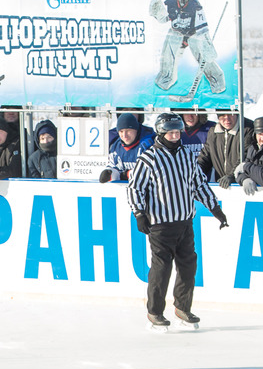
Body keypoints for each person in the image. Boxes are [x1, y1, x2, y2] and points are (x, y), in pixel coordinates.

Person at [127, 113, 228, 329]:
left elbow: (199, 184)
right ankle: (155, 312)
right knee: (161, 268)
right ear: (161, 133)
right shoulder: (149, 158)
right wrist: (139, 213)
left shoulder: (187, 156)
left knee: (188, 265)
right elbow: (135, 188)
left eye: (177, 132)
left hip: (184, 222)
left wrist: (215, 208)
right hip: (160, 225)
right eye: (170, 132)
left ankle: (183, 307)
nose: (174, 136)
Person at [148, 0, 224, 94]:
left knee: (204, 56)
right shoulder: (171, 2)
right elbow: (164, 18)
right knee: (168, 55)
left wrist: (206, 43)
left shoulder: (195, 4)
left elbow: (202, 27)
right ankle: (165, 79)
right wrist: (157, 9)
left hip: (193, 33)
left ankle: (217, 81)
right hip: (176, 32)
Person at [198, 109, 253, 185]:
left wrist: (232, 176)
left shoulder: (247, 129)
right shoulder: (213, 132)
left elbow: (246, 156)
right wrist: (196, 173)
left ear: (236, 113)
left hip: (243, 183)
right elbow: (205, 156)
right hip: (221, 184)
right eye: (223, 115)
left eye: (230, 114)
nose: (227, 119)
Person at [100, 113, 154, 182]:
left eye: (128, 131)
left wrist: (126, 174)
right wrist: (110, 173)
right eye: (121, 131)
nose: (124, 135)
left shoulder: (147, 145)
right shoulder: (116, 146)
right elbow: (113, 165)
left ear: (136, 130)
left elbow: (147, 172)